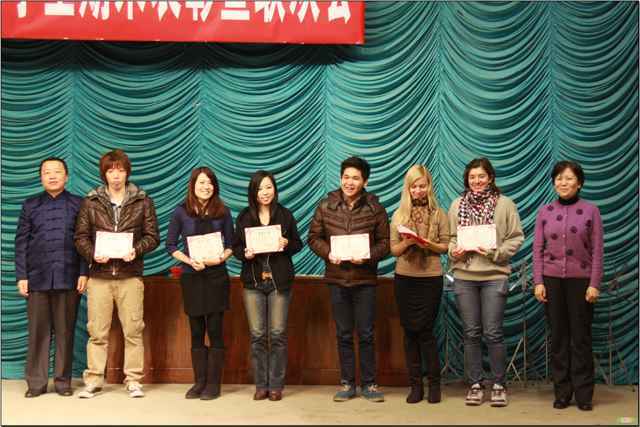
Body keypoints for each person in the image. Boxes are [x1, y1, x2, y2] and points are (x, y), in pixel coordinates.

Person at [74, 149, 159, 399]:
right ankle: (93, 380)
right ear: (104, 174)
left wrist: (136, 250)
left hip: (130, 276)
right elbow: (80, 237)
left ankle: (133, 380)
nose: (116, 175)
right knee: (97, 333)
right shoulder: (91, 201)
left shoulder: (143, 201)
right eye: (111, 171)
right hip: (99, 277)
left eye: (120, 170)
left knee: (133, 331)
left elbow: (152, 236)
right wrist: (92, 254)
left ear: (127, 173)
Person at [308, 156, 390, 403]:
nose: (349, 182)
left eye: (355, 178)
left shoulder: (375, 208)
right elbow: (314, 237)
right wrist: (328, 253)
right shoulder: (326, 206)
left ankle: (369, 384)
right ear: (340, 178)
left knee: (366, 333)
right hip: (337, 280)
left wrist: (367, 256)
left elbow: (385, 243)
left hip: (365, 280)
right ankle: (347, 383)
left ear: (365, 181)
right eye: (346, 177)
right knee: (343, 333)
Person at [448, 157, 523, 407]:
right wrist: (454, 251)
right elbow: (451, 238)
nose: (477, 181)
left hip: (494, 275)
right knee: (471, 333)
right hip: (465, 276)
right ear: (467, 180)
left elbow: (516, 237)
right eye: (472, 177)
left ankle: (499, 384)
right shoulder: (457, 204)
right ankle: (476, 384)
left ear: (490, 177)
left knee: (492, 332)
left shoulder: (505, 204)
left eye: (481, 176)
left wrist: (496, 253)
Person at [15, 157, 88, 398]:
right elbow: (21, 243)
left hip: (69, 276)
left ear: (66, 176)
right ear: (41, 177)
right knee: (38, 332)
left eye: (57, 172)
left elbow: (85, 242)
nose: (52, 176)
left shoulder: (79, 204)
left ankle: (63, 382)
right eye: (47, 172)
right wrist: (22, 275)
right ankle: (36, 383)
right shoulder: (30, 205)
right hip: (37, 277)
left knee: (66, 332)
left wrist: (84, 272)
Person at [533, 160, 603, 411]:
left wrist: (594, 283)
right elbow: (537, 250)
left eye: (569, 178)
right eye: (559, 178)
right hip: (552, 281)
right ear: (554, 183)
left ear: (579, 183)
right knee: (559, 338)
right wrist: (538, 281)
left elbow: (597, 251)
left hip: (581, 282)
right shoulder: (545, 212)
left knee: (580, 338)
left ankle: (584, 394)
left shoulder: (591, 211)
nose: (563, 183)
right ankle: (562, 392)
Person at [232, 170, 303, 401]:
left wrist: (286, 243)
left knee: (278, 334)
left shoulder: (285, 214)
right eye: (260, 188)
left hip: (279, 282)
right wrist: (245, 253)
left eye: (269, 187)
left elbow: (298, 244)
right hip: (253, 282)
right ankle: (261, 385)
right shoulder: (244, 217)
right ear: (253, 192)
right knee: (257, 335)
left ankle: (276, 385)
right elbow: (235, 248)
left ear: (275, 189)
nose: (265, 192)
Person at [166, 167, 234, 401]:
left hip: (216, 277)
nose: (206, 187)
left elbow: (231, 245)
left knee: (215, 330)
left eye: (210, 183)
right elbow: (170, 246)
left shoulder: (223, 211)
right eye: (201, 183)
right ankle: (199, 382)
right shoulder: (180, 212)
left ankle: (213, 384)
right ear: (193, 186)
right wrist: (188, 261)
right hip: (192, 277)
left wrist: (221, 258)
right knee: (196, 331)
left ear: (215, 186)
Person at [390, 165, 449, 404]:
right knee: (409, 332)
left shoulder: (439, 213)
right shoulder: (398, 214)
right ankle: (415, 386)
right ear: (408, 188)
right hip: (405, 278)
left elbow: (445, 246)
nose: (418, 190)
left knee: (425, 331)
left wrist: (428, 244)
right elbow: (394, 250)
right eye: (413, 186)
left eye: (422, 186)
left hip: (430, 278)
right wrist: (407, 242)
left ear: (429, 186)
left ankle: (434, 385)